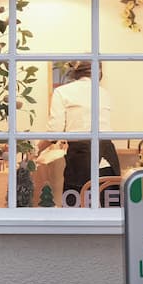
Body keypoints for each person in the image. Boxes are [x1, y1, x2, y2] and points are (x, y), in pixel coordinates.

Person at [38, 61, 120, 204]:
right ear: (98, 72)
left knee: (77, 214)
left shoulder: (62, 92)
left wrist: (36, 149)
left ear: (75, 72)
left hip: (81, 161)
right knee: (109, 213)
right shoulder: (103, 93)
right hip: (108, 160)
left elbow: (54, 132)